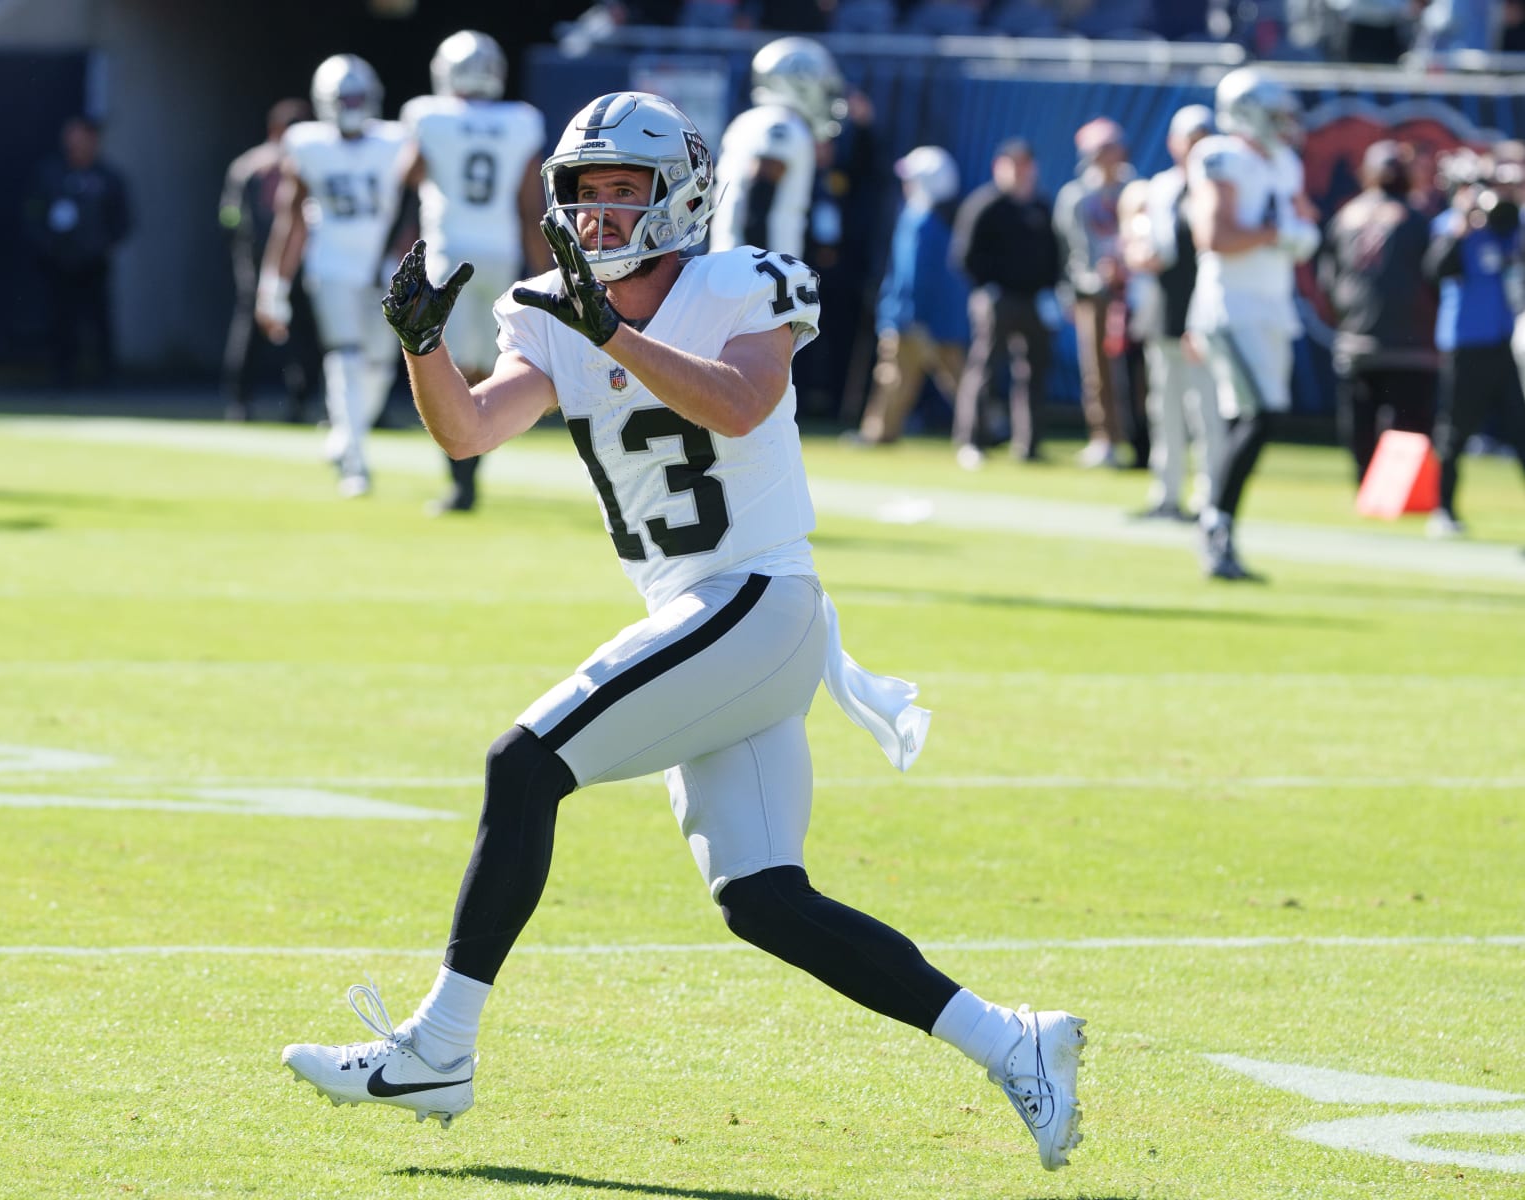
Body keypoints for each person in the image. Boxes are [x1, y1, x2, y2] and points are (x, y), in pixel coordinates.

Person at [278, 90, 1087, 1173]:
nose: (602, 216)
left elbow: (743, 403)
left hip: (759, 600)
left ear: (679, 198)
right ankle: (1016, 1041)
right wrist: (425, 347)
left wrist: (608, 329)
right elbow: (469, 429)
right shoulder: (548, 308)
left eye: (625, 192)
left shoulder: (740, 281)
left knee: (522, 765)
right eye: (585, 193)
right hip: (705, 622)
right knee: (764, 900)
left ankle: (440, 1046)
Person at [398, 30, 549, 513]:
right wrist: (549, 274)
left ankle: (461, 479)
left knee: (449, 365)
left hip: (448, 252)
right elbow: (531, 207)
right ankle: (471, 474)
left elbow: (406, 177)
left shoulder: (428, 115)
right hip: (500, 252)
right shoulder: (521, 120)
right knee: (485, 365)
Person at [1185, 67, 1320, 581]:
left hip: (1271, 304)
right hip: (1232, 305)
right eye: (1276, 114)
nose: (1284, 124)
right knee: (1260, 416)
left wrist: (1293, 233)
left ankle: (1217, 521)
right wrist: (1276, 233)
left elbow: (1303, 223)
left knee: (1257, 417)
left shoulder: (1284, 162)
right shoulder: (1220, 155)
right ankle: (1214, 525)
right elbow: (1214, 236)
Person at [258, 56, 409, 498]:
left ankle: (347, 434)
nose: (351, 105)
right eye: (345, 98)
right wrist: (274, 287)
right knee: (345, 355)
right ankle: (355, 460)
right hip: (332, 265)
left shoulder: (396, 140)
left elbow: (414, 211)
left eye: (357, 98)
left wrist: (408, 263)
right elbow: (292, 221)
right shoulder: (307, 144)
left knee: (381, 362)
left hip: (384, 267)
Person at [1316, 139, 1437, 483]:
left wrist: (1346, 317)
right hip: (1410, 344)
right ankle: (1396, 491)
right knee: (1408, 426)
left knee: (1361, 424)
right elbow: (1435, 275)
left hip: (1357, 341)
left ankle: (1367, 488)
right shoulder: (1416, 219)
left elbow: (1328, 281)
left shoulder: (1346, 216)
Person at [1123, 104, 1221, 520]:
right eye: (1189, 139)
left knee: (1207, 411)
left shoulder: (1221, 184)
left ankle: (1210, 498)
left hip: (1207, 315)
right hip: (1164, 311)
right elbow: (1145, 249)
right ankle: (1166, 494)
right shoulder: (1160, 188)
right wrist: (1138, 252)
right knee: (1164, 410)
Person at [1423, 151, 1525, 537]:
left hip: (1500, 339)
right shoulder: (1451, 225)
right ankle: (1444, 509)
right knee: (1456, 430)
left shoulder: (1506, 224)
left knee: (1520, 429)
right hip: (1464, 340)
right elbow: (1435, 271)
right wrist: (1464, 218)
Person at [949, 138, 1062, 468]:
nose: (1021, 172)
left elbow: (1054, 255)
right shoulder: (985, 205)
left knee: (1034, 372)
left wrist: (1050, 289)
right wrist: (989, 286)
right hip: (997, 299)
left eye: (1026, 165)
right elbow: (964, 257)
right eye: (1014, 165)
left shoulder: (1040, 206)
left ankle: (1028, 443)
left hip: (1034, 301)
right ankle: (972, 440)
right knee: (985, 369)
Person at [848, 145, 968, 446]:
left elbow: (911, 273)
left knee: (894, 376)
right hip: (942, 318)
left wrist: (907, 312)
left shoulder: (920, 219)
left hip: (911, 315)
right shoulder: (943, 219)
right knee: (958, 377)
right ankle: (984, 426)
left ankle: (878, 433)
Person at [220, 98, 317, 424]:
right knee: (251, 330)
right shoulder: (250, 167)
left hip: (300, 260)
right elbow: (231, 217)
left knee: (303, 335)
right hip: (259, 260)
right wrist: (249, 257)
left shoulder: (312, 160)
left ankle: (300, 401)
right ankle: (240, 402)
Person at [709, 36, 847, 261]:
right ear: (800, 82)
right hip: (755, 269)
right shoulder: (782, 125)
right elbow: (759, 198)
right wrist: (761, 270)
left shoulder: (752, 120)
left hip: (735, 261)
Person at [24, 114, 132, 389]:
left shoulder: (108, 177)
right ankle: (62, 375)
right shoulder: (49, 174)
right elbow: (33, 214)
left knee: (99, 321)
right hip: (58, 263)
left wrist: (104, 244)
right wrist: (48, 245)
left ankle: (106, 376)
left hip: (93, 262)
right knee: (61, 320)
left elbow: (123, 220)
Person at [1055, 118, 1136, 469]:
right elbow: (1067, 250)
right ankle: (1104, 437)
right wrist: (1074, 290)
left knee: (1138, 371)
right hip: (1092, 293)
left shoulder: (1132, 188)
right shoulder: (1076, 196)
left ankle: (1139, 437)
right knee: (1097, 370)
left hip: (1133, 292)